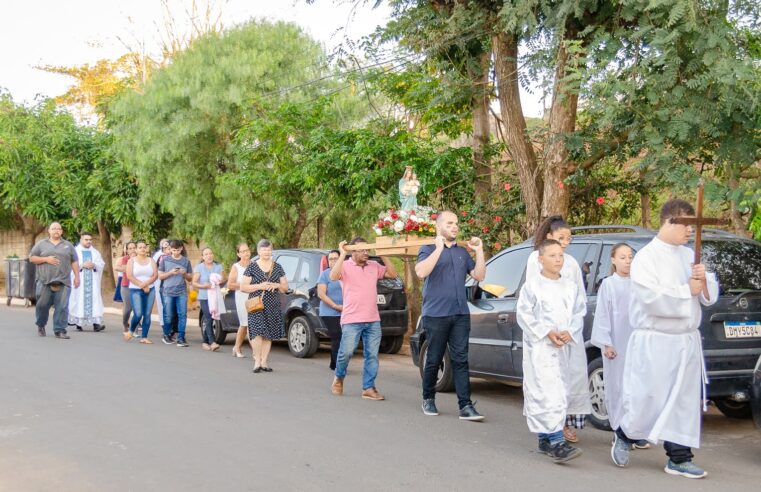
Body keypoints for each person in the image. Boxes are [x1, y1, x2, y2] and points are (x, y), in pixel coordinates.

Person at [610, 199, 719, 479]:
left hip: (685, 341)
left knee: (684, 401)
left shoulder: (689, 256)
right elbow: (649, 298)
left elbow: (707, 295)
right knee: (648, 397)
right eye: (687, 225)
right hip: (655, 340)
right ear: (670, 221)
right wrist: (686, 290)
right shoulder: (646, 258)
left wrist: (703, 281)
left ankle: (679, 458)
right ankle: (625, 434)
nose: (690, 233)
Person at [517, 239, 586, 463]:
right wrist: (546, 332)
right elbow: (524, 315)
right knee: (546, 392)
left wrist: (570, 331)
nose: (558, 259)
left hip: (563, 348)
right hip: (540, 350)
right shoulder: (532, 286)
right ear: (540, 259)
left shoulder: (570, 286)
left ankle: (544, 439)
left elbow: (578, 312)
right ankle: (557, 441)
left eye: (560, 255)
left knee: (559, 390)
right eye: (552, 255)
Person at [415, 210, 486, 420]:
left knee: (461, 360)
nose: (454, 227)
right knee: (434, 358)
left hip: (460, 314)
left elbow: (479, 275)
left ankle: (465, 406)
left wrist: (479, 251)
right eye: (449, 223)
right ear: (439, 227)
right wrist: (438, 248)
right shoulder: (427, 249)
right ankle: (428, 398)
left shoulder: (462, 253)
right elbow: (421, 272)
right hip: (435, 315)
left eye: (456, 223)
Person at [525, 215, 590, 443]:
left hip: (566, 335)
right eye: (560, 238)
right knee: (546, 385)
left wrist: (569, 331)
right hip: (544, 336)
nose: (565, 243)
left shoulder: (570, 263)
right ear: (549, 237)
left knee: (567, 381)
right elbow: (532, 302)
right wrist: (546, 331)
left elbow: (579, 301)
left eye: (568, 239)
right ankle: (549, 435)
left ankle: (561, 427)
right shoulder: (536, 260)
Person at [590, 243, 649, 450]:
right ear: (613, 260)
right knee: (617, 386)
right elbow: (603, 315)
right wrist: (606, 343)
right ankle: (619, 429)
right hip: (616, 343)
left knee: (637, 386)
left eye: (630, 257)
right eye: (622, 257)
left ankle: (635, 430)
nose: (627, 261)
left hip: (637, 343)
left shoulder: (640, 284)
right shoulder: (609, 285)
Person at [330, 237, 398, 400]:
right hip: (351, 319)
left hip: (373, 319)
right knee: (345, 353)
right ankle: (339, 378)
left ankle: (368, 387)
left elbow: (393, 274)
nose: (366, 253)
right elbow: (333, 276)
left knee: (372, 355)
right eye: (362, 250)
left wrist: (384, 254)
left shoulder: (374, 266)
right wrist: (342, 254)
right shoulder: (345, 266)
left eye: (367, 249)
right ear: (353, 251)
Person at [240, 239, 288, 372]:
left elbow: (285, 287)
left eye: (269, 249)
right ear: (258, 251)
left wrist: (277, 285)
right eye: (263, 249)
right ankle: (257, 360)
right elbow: (243, 287)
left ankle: (264, 362)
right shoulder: (252, 266)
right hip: (256, 304)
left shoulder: (277, 266)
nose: (266, 252)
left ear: (271, 251)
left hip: (272, 304)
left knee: (268, 334)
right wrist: (260, 286)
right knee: (256, 332)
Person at [29, 222, 80, 339]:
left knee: (62, 307)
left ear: (62, 231)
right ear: (49, 231)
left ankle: (60, 330)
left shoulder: (68, 245)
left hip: (63, 282)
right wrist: (46, 259)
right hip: (44, 281)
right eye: (54, 229)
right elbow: (32, 258)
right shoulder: (41, 244)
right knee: (42, 306)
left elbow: (74, 261)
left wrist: (77, 276)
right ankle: (41, 325)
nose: (56, 230)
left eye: (59, 229)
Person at [67, 232, 106, 332]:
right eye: (86, 239)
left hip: (92, 282)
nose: (89, 241)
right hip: (80, 281)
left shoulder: (95, 252)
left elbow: (101, 263)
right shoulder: (75, 251)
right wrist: (82, 265)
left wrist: (94, 264)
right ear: (81, 240)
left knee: (95, 300)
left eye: (90, 240)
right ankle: (78, 323)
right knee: (79, 300)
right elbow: (69, 264)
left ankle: (96, 324)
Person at [158, 240, 193, 347]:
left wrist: (185, 274)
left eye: (178, 250)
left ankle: (181, 337)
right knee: (168, 315)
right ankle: (167, 334)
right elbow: (160, 276)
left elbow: (190, 278)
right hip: (167, 292)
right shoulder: (165, 260)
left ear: (181, 249)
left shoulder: (186, 261)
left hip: (181, 291)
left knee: (182, 314)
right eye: (173, 250)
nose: (176, 252)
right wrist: (170, 272)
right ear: (170, 249)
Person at [125, 240, 158, 344]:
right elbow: (130, 276)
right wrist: (142, 286)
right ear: (136, 249)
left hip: (150, 289)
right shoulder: (132, 261)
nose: (143, 249)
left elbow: (155, 275)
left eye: (144, 247)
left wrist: (147, 284)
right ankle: (130, 331)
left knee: (147, 314)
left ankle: (144, 337)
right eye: (140, 247)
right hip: (135, 290)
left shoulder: (151, 260)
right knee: (138, 314)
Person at [192, 247, 225, 351]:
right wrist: (204, 286)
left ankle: (205, 341)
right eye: (206, 254)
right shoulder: (199, 268)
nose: (209, 256)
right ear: (203, 257)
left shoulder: (218, 267)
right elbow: (194, 283)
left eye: (210, 253)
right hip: (204, 297)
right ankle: (212, 342)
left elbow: (223, 279)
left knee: (211, 318)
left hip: (215, 297)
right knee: (209, 317)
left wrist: (219, 281)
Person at [317, 249, 343, 370]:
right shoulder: (325, 274)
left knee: (343, 337)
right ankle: (337, 365)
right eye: (330, 259)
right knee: (337, 335)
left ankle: (335, 363)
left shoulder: (345, 273)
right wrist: (335, 306)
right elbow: (321, 294)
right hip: (329, 311)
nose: (333, 261)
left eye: (335, 259)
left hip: (347, 311)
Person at [227, 242, 252, 358]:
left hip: (253, 297)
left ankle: (236, 347)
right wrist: (243, 285)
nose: (246, 253)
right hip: (242, 297)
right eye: (243, 251)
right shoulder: (236, 267)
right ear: (238, 254)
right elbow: (230, 284)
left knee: (249, 324)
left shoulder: (254, 265)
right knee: (245, 323)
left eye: (247, 250)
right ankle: (256, 353)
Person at [114, 241, 137, 334]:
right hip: (126, 285)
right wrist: (132, 260)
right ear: (127, 250)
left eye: (134, 248)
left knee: (137, 307)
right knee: (128, 307)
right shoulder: (125, 258)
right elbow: (124, 269)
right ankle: (125, 323)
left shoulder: (143, 259)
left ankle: (134, 327)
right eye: (130, 248)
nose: (132, 250)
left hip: (138, 286)